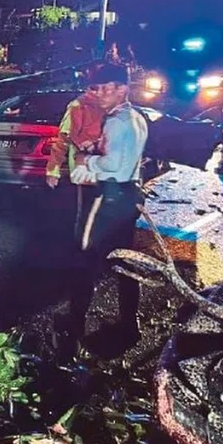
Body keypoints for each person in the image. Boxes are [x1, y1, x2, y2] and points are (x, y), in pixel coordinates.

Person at [66, 63, 148, 351]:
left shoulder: (115, 121)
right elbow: (125, 157)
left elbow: (112, 164)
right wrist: (96, 149)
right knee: (124, 262)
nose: (100, 93)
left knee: (84, 257)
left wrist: (86, 160)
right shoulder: (137, 118)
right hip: (129, 196)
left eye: (106, 88)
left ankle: (74, 327)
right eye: (97, 88)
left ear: (122, 89)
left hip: (108, 198)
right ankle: (130, 323)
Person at [46, 78, 106, 240]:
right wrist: (53, 170)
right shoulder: (78, 106)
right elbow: (63, 140)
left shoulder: (112, 107)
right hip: (86, 170)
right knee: (86, 213)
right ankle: (82, 246)